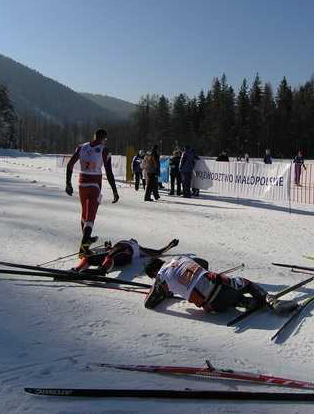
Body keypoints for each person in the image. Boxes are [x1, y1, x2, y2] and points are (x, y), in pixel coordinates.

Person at [143, 256, 297, 314]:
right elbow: (203, 263)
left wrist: (165, 292)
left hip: (213, 307)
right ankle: (271, 301)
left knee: (215, 295)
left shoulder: (161, 279)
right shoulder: (179, 258)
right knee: (245, 283)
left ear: (154, 274)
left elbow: (149, 303)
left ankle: (244, 302)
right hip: (220, 286)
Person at [66, 129, 119, 258]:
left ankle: (87, 240)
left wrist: (68, 183)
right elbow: (109, 172)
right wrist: (115, 191)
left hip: (82, 184)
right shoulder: (104, 150)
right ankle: (83, 249)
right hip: (94, 185)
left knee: (84, 213)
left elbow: (70, 165)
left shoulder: (81, 147)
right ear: (103, 138)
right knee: (91, 216)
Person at [72, 238, 179, 275]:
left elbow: (157, 252)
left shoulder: (138, 248)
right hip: (114, 252)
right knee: (88, 258)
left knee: (111, 256)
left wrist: (170, 245)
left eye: (134, 240)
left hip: (125, 254)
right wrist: (108, 245)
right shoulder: (121, 242)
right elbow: (108, 250)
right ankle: (77, 269)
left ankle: (102, 270)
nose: (132, 239)